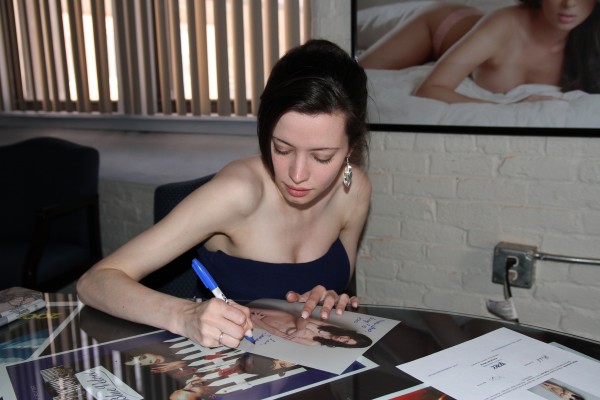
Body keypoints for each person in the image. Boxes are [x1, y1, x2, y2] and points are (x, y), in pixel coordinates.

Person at [77, 39, 371, 349]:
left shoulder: (355, 191)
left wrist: (328, 299)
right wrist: (185, 315)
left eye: (322, 157)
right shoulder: (237, 194)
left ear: (350, 148)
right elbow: (95, 281)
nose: (297, 175)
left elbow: (340, 285)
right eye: (282, 149)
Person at [358, 0, 600, 103]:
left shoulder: (590, 42)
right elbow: (429, 89)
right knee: (357, 69)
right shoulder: (505, 24)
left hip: (476, 33)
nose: (570, 3)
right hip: (440, 25)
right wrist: (507, 107)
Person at [249, 307, 373, 348]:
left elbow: (279, 334)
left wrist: (257, 321)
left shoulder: (314, 343)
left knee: (240, 318)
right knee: (242, 308)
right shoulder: (331, 328)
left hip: (259, 323)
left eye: (345, 342)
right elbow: (303, 318)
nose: (342, 339)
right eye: (348, 337)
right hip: (280, 315)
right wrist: (301, 329)